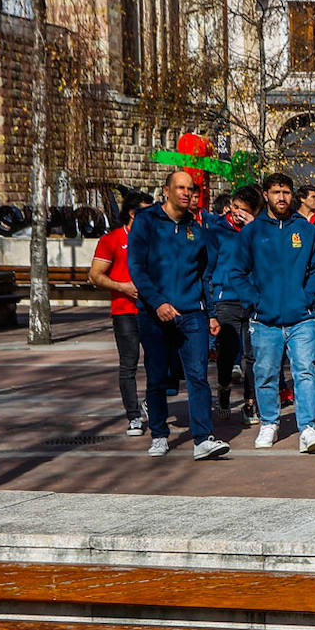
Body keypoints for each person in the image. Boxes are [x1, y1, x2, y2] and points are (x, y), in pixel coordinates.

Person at [126, 168, 231, 460]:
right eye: (181, 188)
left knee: (198, 376)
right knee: (158, 376)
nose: (187, 193)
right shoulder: (146, 221)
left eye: (190, 188)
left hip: (192, 313)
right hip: (153, 314)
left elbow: (204, 274)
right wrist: (157, 302)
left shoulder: (197, 229)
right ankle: (159, 434)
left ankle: (202, 439)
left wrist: (210, 313)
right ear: (167, 190)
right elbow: (137, 268)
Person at [230, 173, 315, 454]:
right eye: (275, 192)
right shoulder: (253, 232)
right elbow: (237, 271)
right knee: (265, 373)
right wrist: (254, 301)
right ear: (266, 195)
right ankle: (269, 422)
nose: (281, 197)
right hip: (265, 319)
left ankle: (308, 428)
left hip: (301, 317)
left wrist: (307, 297)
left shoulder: (305, 230)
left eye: (286, 192)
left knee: (305, 371)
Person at [89, 191, 155, 436]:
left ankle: (152, 401)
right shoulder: (112, 239)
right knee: (129, 364)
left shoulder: (155, 238)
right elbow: (95, 276)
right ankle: (134, 416)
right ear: (132, 213)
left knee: (159, 363)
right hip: (124, 311)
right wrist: (123, 287)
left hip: (153, 309)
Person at [207, 184, 264, 425]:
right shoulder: (216, 231)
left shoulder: (259, 230)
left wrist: (253, 228)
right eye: (236, 208)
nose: (238, 214)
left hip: (252, 300)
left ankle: (250, 403)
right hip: (226, 300)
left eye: (245, 210)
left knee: (253, 356)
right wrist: (211, 310)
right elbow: (207, 270)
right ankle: (223, 390)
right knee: (228, 354)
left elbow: (267, 256)